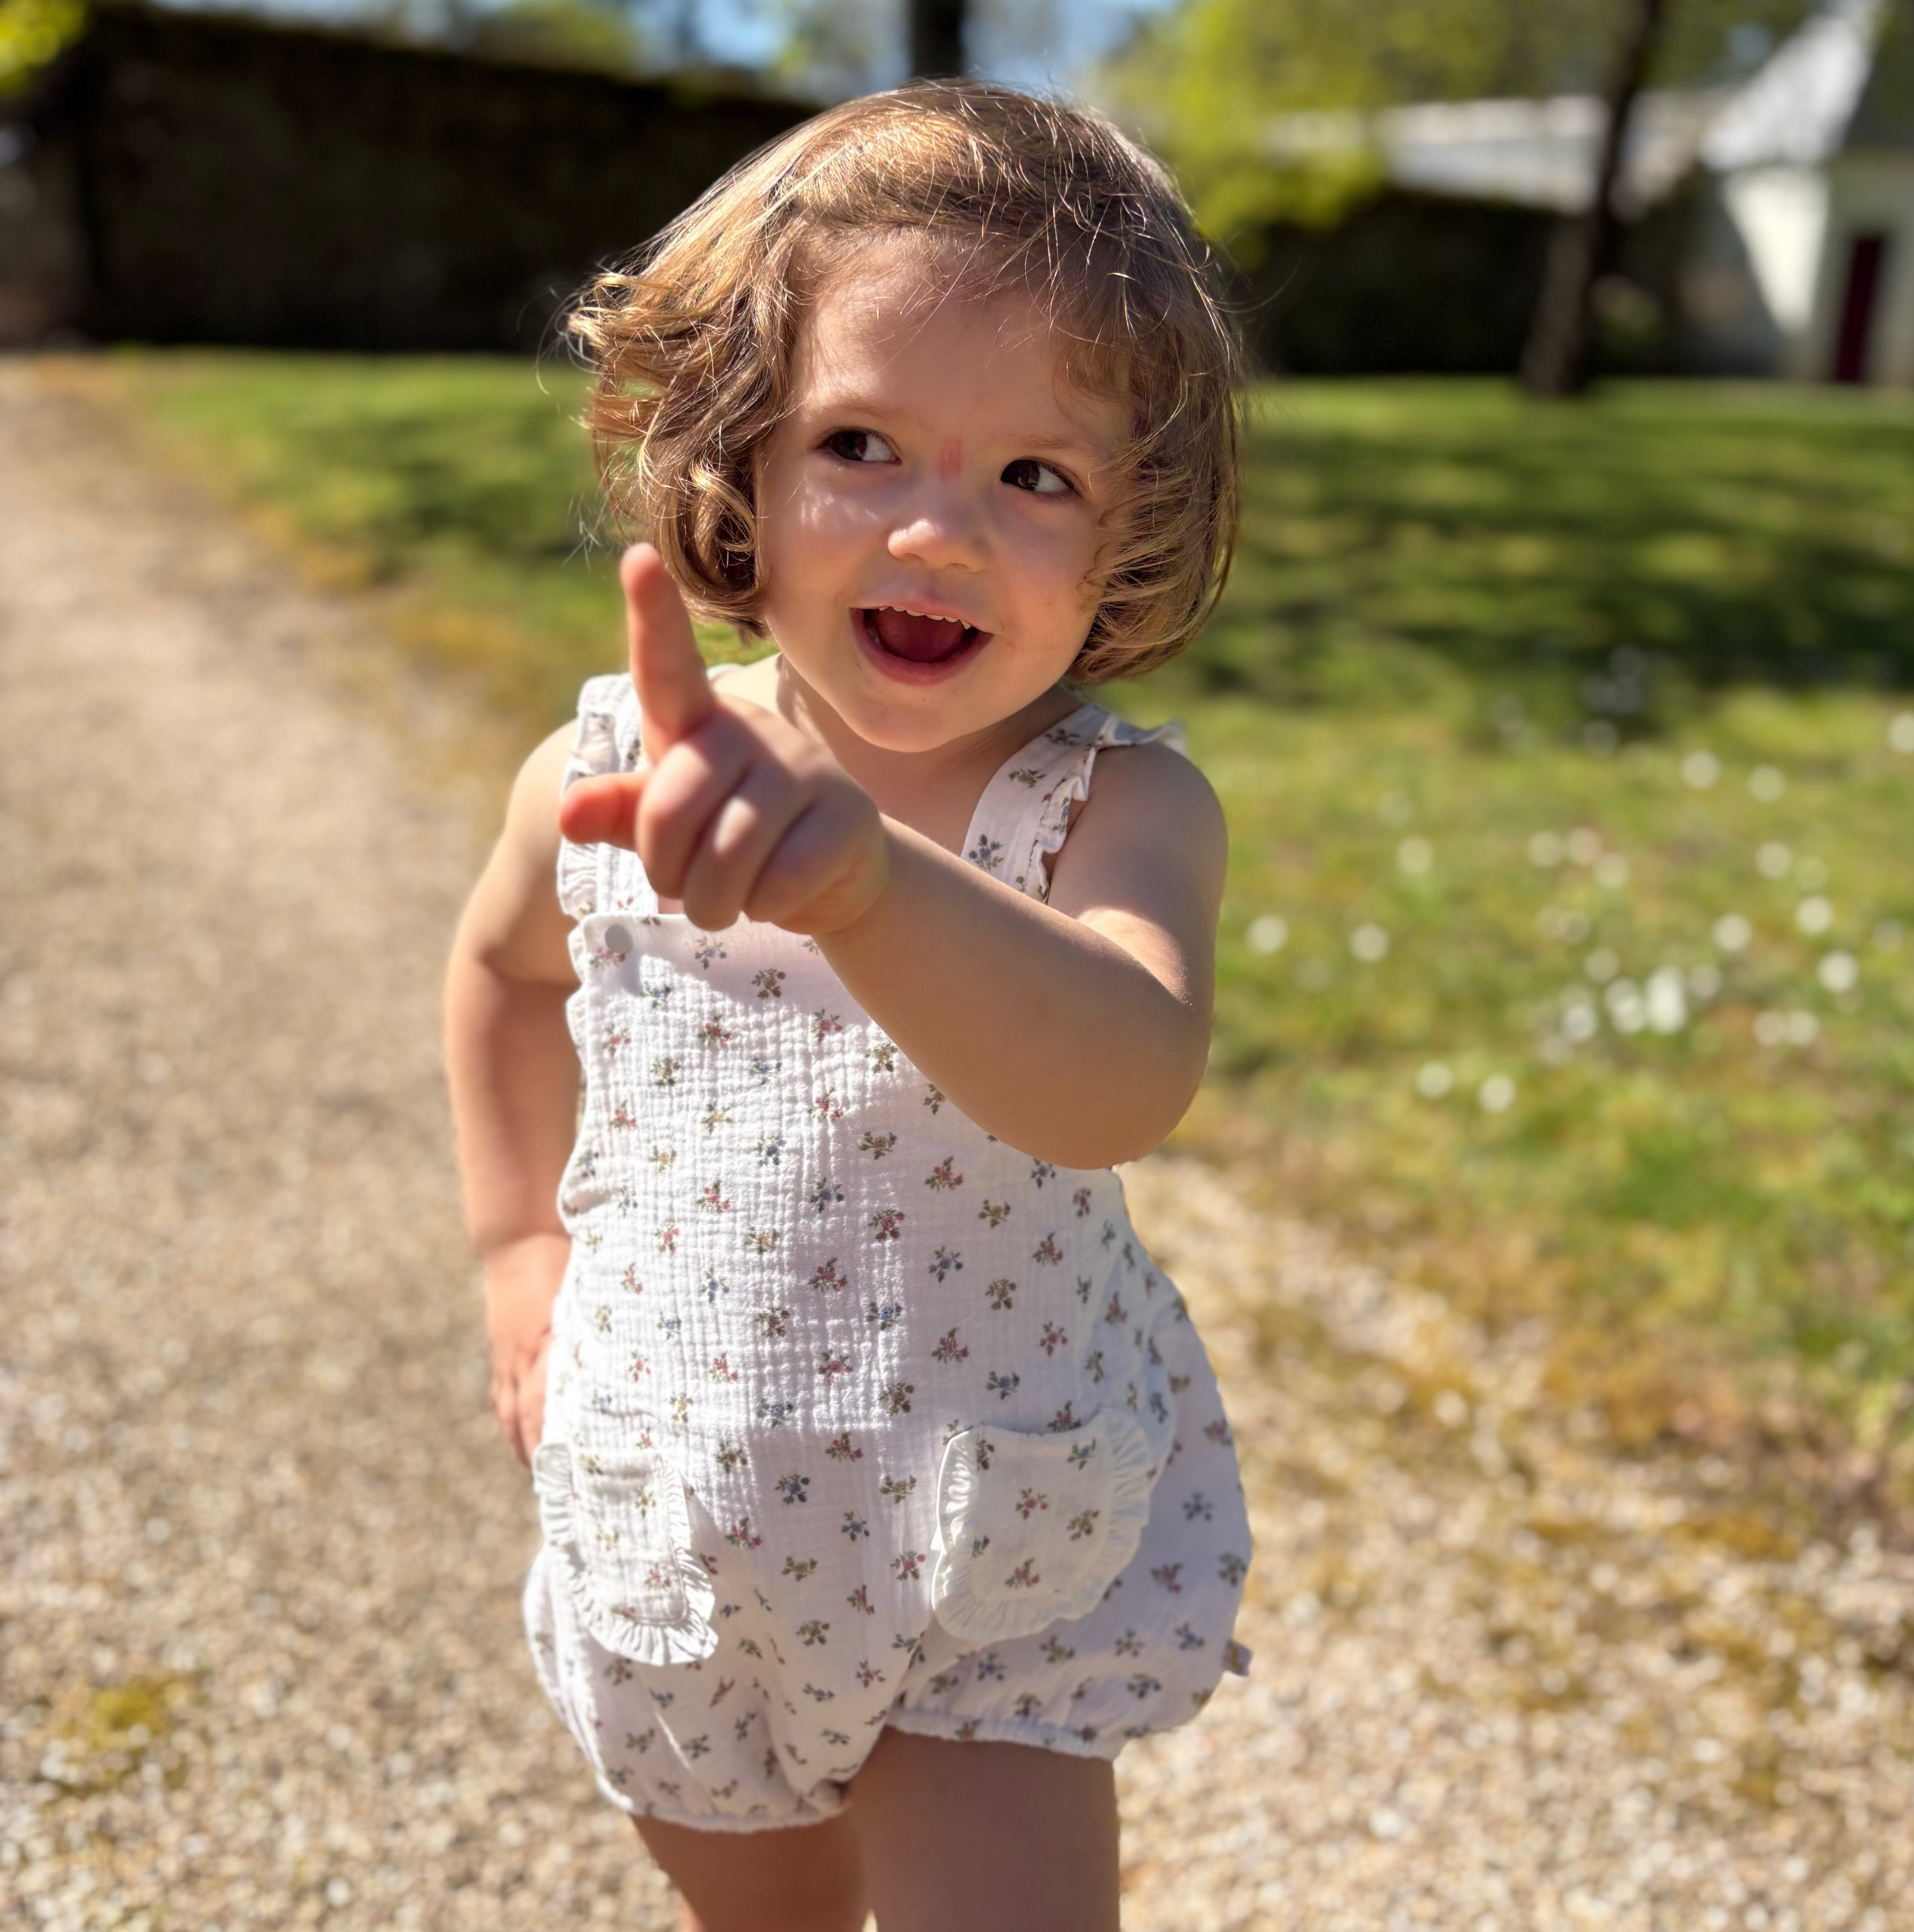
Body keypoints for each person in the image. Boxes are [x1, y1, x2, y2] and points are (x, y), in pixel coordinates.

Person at [444, 79, 1252, 1932]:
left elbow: (1124, 1078)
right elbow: (501, 974)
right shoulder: (606, 775)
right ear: (738, 452)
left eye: (1035, 477)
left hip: (989, 1546)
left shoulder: (1112, 809)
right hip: (681, 1519)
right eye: (862, 445)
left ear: (1130, 533)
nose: (937, 532)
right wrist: (514, 1247)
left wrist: (871, 890)